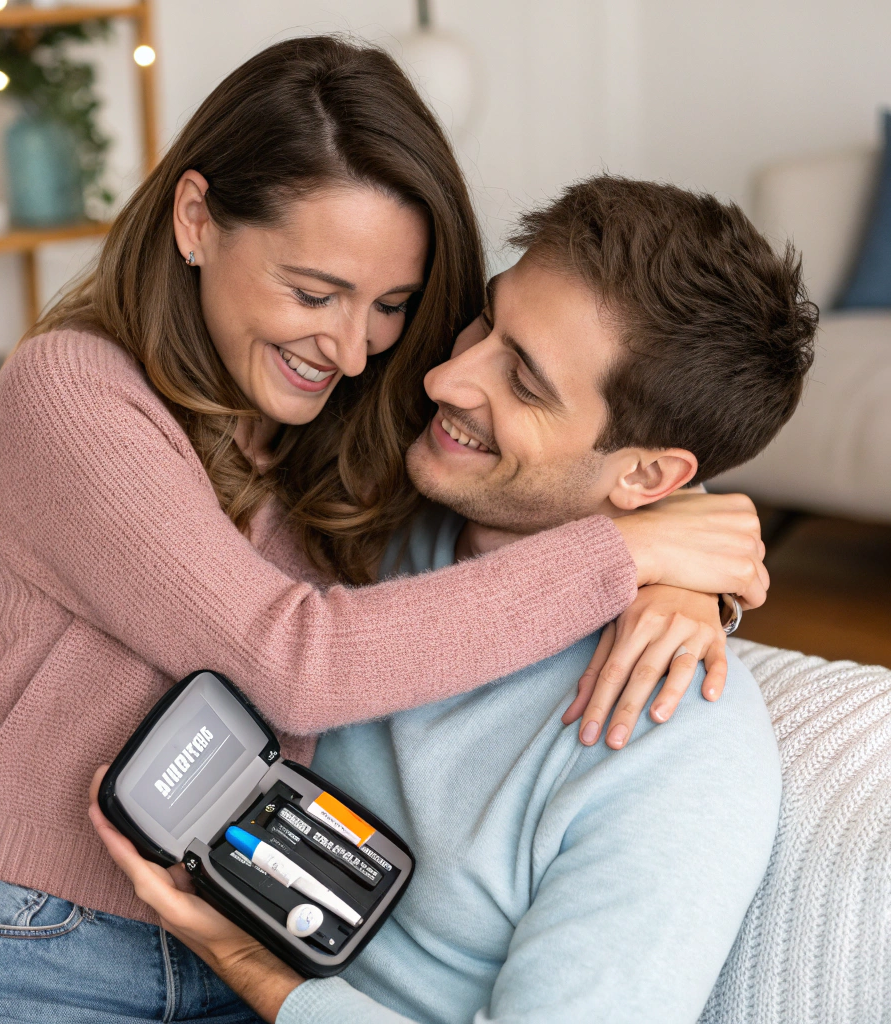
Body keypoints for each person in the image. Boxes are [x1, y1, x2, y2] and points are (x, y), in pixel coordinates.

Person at [0, 38, 769, 1024]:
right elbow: (292, 658)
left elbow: (520, 520)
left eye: (392, 306)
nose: (365, 351)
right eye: (314, 292)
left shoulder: (362, 431)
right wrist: (632, 551)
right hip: (49, 950)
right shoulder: (75, 388)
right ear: (195, 219)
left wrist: (684, 575)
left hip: (251, 959)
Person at [82, 177, 816, 1023]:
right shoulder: (366, 506)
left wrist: (257, 972)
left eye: (526, 383)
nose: (446, 379)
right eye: (486, 322)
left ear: (648, 476)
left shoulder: (675, 747)